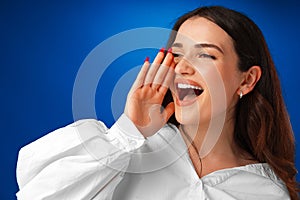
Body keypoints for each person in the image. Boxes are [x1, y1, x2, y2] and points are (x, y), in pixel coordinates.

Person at [16, 6, 298, 200]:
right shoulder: (122, 152)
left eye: (206, 55)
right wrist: (127, 133)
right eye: (176, 55)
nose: (182, 68)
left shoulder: (265, 191)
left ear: (247, 81)